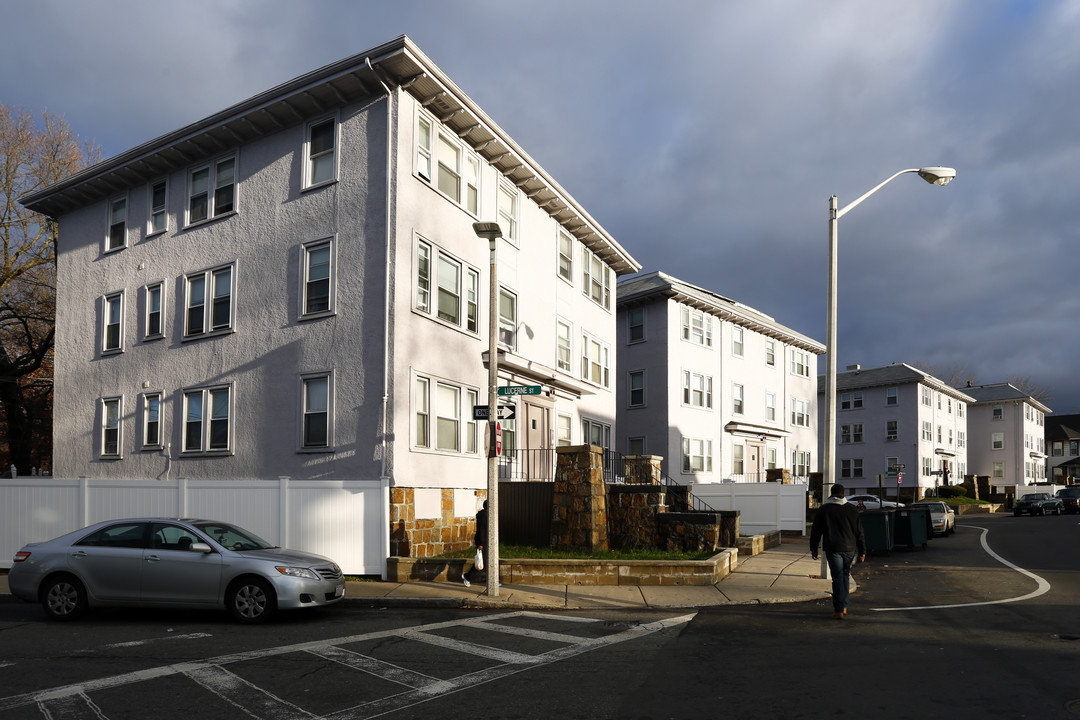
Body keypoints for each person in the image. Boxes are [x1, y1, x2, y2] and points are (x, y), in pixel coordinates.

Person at [810, 483, 866, 619]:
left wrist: (814, 549)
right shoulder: (852, 509)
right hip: (849, 548)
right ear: (843, 493)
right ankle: (844, 605)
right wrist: (862, 550)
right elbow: (859, 532)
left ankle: (839, 609)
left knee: (837, 578)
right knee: (845, 576)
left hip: (833, 548)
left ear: (831, 493)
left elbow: (816, 532)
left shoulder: (824, 510)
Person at [462, 500, 488, 587]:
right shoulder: (484, 516)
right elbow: (481, 530)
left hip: (485, 541)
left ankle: (490, 581)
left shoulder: (484, 515)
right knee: (481, 562)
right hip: (482, 542)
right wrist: (481, 543)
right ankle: (467, 576)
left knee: (488, 562)